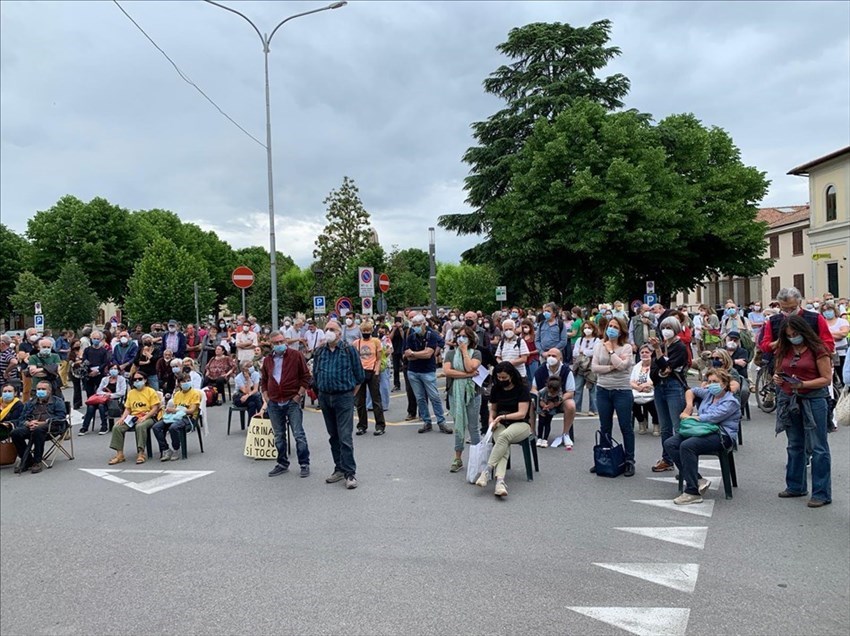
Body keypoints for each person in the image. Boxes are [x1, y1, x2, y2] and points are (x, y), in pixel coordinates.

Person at [773, 315, 833, 508]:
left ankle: (821, 493)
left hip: (814, 399)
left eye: (796, 334)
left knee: (818, 447)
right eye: (789, 335)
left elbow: (826, 378)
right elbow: (779, 370)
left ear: (804, 332)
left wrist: (803, 384)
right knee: (795, 444)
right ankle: (795, 486)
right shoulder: (785, 349)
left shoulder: (818, 349)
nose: (793, 337)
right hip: (790, 399)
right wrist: (777, 378)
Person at [665, 368, 740, 505]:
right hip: (701, 430)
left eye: (715, 382)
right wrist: (688, 406)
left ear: (724, 383)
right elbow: (691, 391)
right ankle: (698, 479)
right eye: (709, 381)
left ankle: (692, 492)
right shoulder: (709, 394)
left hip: (721, 435)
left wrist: (690, 417)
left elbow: (711, 418)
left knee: (688, 446)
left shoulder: (731, 402)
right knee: (670, 443)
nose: (711, 384)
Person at [311, 320, 363, 489]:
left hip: (343, 397)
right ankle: (339, 468)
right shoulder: (320, 352)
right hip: (326, 397)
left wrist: (349, 395)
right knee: (333, 435)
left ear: (340, 333)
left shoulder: (349, 350)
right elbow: (316, 375)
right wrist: (320, 393)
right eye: (326, 329)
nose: (328, 332)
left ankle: (350, 473)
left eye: (332, 329)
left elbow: (359, 376)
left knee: (345, 436)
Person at [474, 362, 532, 498]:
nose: (501, 380)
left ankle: (487, 470)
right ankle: (500, 482)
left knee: (503, 437)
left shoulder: (522, 389)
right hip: (500, 423)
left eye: (504, 378)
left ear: (511, 376)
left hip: (521, 424)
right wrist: (491, 420)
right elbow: (493, 409)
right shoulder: (496, 389)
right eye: (499, 377)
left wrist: (501, 417)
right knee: (503, 442)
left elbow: (522, 413)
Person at [260, 330, 312, 478]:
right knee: (278, 435)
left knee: (298, 434)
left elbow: (306, 376)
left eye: (282, 341)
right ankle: (282, 463)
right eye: (276, 343)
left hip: (291, 400)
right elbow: (264, 380)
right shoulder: (267, 360)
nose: (280, 345)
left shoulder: (296, 356)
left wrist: (299, 395)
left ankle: (304, 464)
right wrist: (266, 396)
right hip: (274, 402)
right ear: (271, 344)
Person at [589, 316, 635, 476]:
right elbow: (594, 367)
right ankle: (604, 456)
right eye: (610, 326)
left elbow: (623, 367)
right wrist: (611, 367)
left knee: (625, 426)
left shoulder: (626, 347)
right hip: (603, 389)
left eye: (615, 326)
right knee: (605, 426)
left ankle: (629, 460)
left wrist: (610, 351)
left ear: (621, 330)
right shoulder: (598, 345)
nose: (612, 329)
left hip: (622, 390)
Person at [443, 325, 482, 473]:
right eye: (459, 336)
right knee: (459, 426)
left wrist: (465, 352)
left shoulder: (476, 353)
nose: (461, 339)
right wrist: (467, 375)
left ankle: (477, 458)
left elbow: (471, 367)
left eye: (465, 336)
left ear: (470, 339)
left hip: (472, 394)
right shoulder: (450, 354)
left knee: (473, 427)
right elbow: (448, 371)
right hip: (455, 393)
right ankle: (458, 458)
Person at [404, 313, 450, 434]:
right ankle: (426, 421)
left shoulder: (432, 335)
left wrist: (414, 353)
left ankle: (441, 422)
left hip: (428, 371)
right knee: (420, 398)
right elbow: (407, 356)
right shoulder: (411, 337)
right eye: (414, 325)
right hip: (413, 371)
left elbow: (429, 354)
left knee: (434, 397)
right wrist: (419, 354)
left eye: (418, 325)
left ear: (424, 324)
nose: (416, 327)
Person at [11, 380, 67, 474]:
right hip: (31, 427)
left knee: (38, 430)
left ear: (49, 390)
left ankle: (37, 461)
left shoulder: (57, 401)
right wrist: (28, 423)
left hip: (51, 428)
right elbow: (21, 419)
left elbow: (61, 418)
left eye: (43, 389)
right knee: (15, 433)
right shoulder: (30, 403)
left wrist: (43, 423)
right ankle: (27, 460)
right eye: (38, 389)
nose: (40, 391)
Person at [108, 372, 161, 465]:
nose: (137, 381)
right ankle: (119, 454)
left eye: (140, 379)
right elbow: (128, 408)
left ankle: (141, 453)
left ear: (145, 380)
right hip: (133, 417)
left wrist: (145, 417)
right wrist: (123, 418)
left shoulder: (151, 391)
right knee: (117, 427)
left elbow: (155, 408)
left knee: (140, 426)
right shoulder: (131, 393)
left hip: (148, 416)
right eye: (135, 380)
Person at [531, 348, 576, 449]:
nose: (551, 358)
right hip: (543, 401)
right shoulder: (540, 370)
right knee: (530, 402)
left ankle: (565, 434)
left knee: (571, 405)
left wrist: (556, 402)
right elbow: (533, 389)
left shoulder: (566, 371)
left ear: (560, 358)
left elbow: (570, 392)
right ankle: (532, 433)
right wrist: (541, 400)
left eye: (554, 356)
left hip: (560, 400)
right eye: (549, 355)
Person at [152, 372, 201, 461]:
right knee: (156, 427)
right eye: (183, 381)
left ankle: (176, 448)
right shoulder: (177, 394)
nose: (186, 383)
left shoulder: (195, 393)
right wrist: (169, 410)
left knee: (173, 427)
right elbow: (175, 407)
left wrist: (176, 410)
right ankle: (166, 449)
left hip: (188, 418)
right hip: (175, 416)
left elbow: (191, 410)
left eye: (188, 380)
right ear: (179, 384)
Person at [352, 320, 386, 436]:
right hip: (361, 373)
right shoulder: (357, 343)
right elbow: (354, 358)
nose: (366, 332)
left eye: (368, 330)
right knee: (360, 401)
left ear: (371, 331)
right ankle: (362, 425)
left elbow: (379, 357)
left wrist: (376, 371)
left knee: (376, 400)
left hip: (372, 371)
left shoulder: (376, 341)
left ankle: (380, 425)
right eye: (363, 331)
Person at [79, 363, 127, 435]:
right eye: (112, 369)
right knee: (91, 406)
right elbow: (98, 391)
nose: (113, 370)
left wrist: (110, 395)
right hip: (102, 398)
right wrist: (105, 394)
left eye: (115, 369)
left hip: (114, 400)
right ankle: (84, 427)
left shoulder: (121, 379)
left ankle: (104, 426)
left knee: (101, 406)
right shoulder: (105, 379)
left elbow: (122, 392)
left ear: (119, 371)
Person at [631, 344, 658, 436]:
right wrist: (639, 387)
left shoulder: (655, 365)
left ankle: (656, 424)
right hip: (638, 391)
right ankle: (641, 422)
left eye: (647, 352)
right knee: (631, 401)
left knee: (653, 404)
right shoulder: (636, 367)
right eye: (642, 352)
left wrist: (646, 385)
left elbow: (656, 379)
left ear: (651, 353)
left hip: (651, 390)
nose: (644, 354)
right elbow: (631, 381)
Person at [572, 321, 599, 416]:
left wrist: (583, 351)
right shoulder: (579, 339)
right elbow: (575, 352)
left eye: (589, 328)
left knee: (592, 388)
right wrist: (586, 352)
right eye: (585, 328)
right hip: (580, 367)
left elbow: (595, 352)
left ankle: (593, 409)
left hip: (591, 368)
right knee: (577, 387)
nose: (587, 330)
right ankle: (576, 408)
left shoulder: (597, 340)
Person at [81, 330, 110, 398]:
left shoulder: (103, 351)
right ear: (91, 339)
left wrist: (97, 370)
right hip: (89, 374)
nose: (96, 340)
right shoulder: (87, 350)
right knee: (89, 393)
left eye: (98, 339)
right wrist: (89, 371)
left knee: (100, 392)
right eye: (94, 338)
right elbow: (84, 360)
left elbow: (105, 362)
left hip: (99, 374)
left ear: (101, 339)